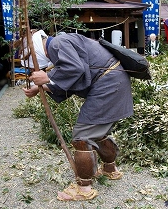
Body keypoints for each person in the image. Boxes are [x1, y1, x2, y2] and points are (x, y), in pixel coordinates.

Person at [22, 30, 133, 201]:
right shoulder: (62, 42)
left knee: (82, 137)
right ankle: (110, 169)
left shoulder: (58, 43)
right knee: (98, 133)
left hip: (108, 85)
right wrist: (41, 87)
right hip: (114, 82)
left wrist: (47, 76)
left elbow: (74, 69)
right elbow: (75, 77)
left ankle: (84, 188)